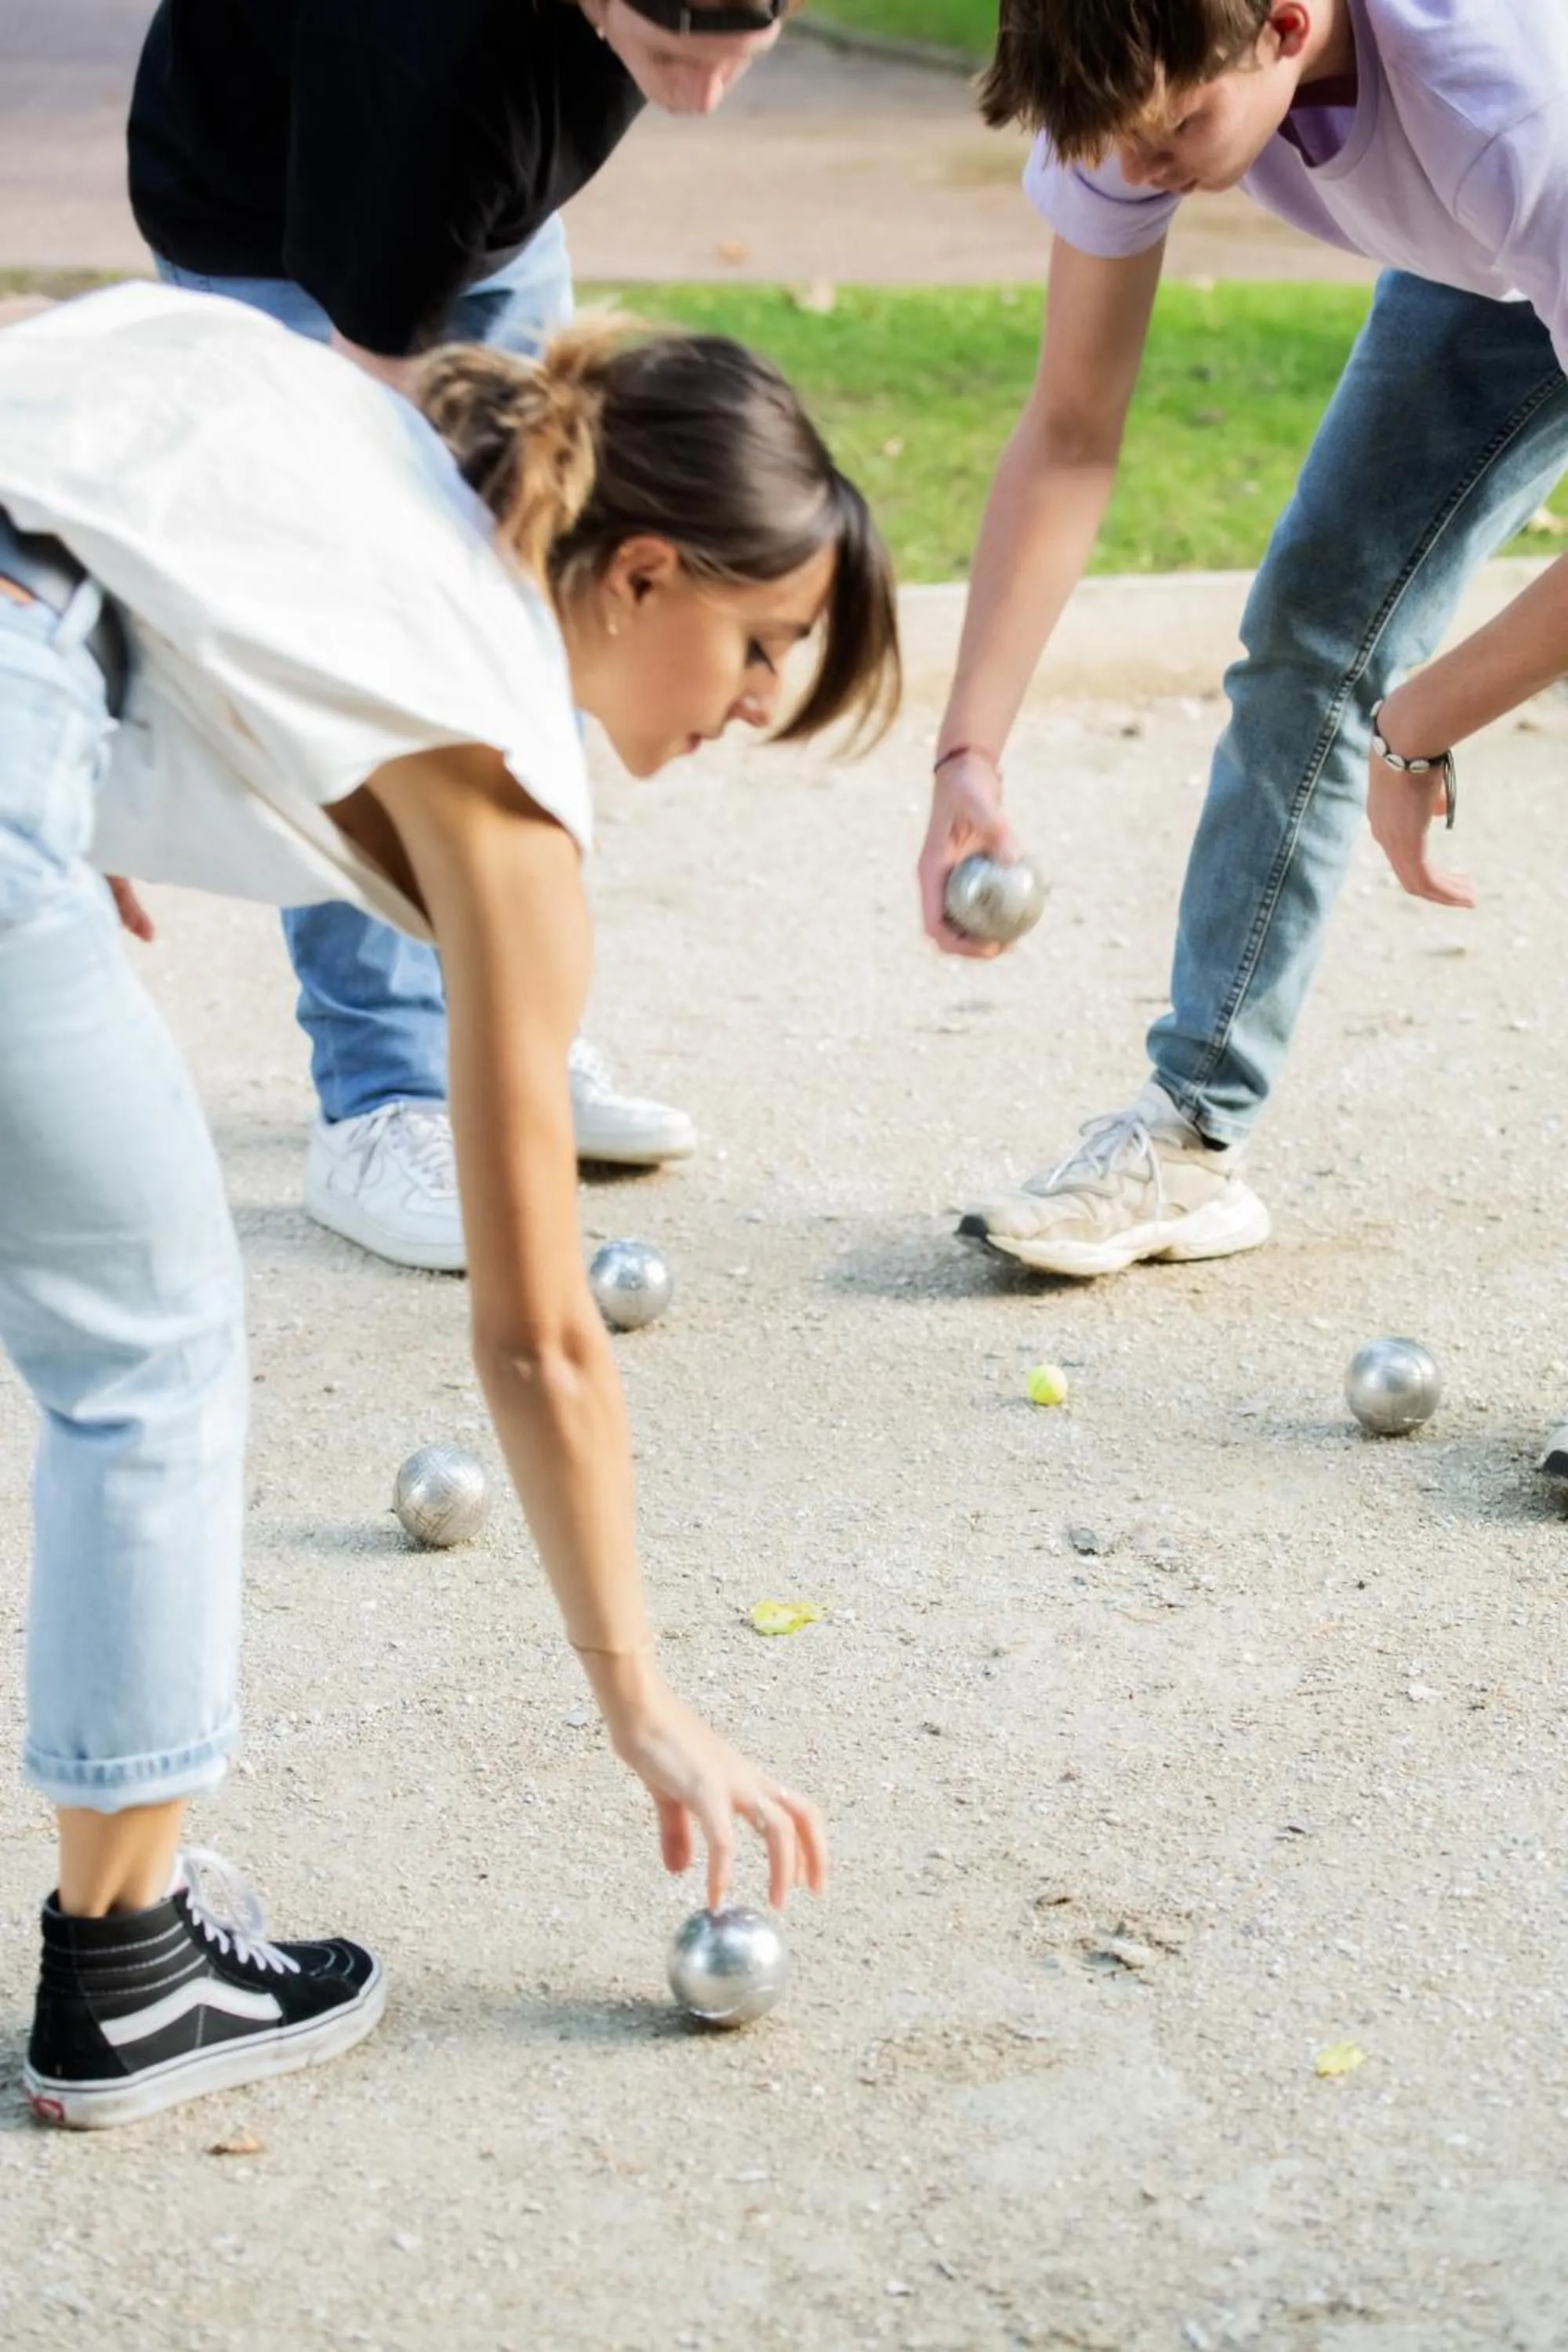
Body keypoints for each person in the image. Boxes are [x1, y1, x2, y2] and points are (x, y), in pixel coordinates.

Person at [0, 280, 898, 2127]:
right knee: (153, 1349)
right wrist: (643, 1698)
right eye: (759, 645)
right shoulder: (505, 771)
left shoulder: (366, 448)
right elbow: (540, 1333)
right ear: (642, 571)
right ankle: (134, 1976)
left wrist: (69, 784)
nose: (752, 705)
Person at [919, 0, 1568, 1418]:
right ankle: (1192, 1130)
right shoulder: (1129, 64)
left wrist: (1425, 713)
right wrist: (968, 743)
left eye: (1169, 140)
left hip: (1538, 195)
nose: (1139, 173)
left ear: (1284, 26)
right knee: (1310, 628)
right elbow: (1073, 430)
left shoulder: (1508, 111)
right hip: (1494, 270)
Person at [127, 0, 797, 1272]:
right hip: (272, 210)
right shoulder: (428, 72)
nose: (699, 101)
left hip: (480, 191)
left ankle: (508, 1026)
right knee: (372, 632)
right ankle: (383, 1094)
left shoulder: (534, 82)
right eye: (671, 63)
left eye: (732, 62)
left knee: (537, 599)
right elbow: (364, 491)